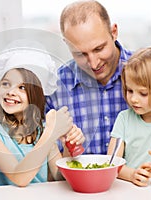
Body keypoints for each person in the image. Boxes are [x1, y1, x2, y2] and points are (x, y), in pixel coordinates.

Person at [0, 49, 85, 186]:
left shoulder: (41, 132)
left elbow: (59, 178)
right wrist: (51, 133)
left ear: (35, 96)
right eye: (6, 84)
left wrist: (67, 147)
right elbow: (19, 178)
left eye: (22, 87)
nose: (11, 92)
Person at [45, 0, 133, 154]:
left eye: (99, 49)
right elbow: (50, 166)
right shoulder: (55, 87)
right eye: (80, 54)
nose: (93, 64)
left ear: (114, 33)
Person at [107, 47, 151, 186]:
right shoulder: (124, 119)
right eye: (129, 90)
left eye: (143, 93)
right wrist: (132, 174)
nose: (133, 99)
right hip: (132, 192)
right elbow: (112, 162)